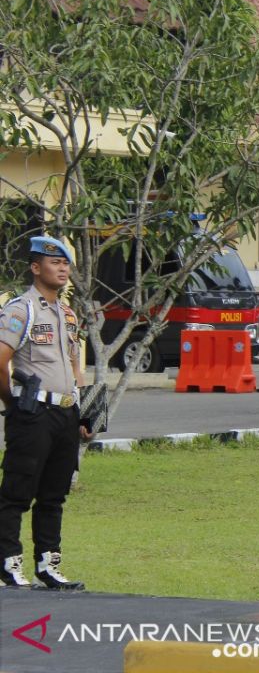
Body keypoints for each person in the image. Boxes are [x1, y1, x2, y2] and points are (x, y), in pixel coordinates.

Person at [0, 236, 91, 590]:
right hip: (33, 411)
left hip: (65, 414)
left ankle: (48, 564)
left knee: (54, 495)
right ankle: (9, 563)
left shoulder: (68, 314)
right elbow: (2, 362)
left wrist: (82, 415)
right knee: (17, 491)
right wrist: (12, 404)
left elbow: (73, 367)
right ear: (36, 268)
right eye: (55, 263)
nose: (63, 269)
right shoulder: (21, 310)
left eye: (66, 263)